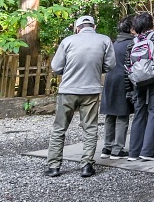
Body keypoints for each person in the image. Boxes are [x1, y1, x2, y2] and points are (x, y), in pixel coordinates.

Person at [46, 15, 115, 178]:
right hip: (91, 91)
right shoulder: (104, 40)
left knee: (59, 128)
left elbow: (56, 67)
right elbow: (110, 65)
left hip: (68, 90)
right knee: (90, 128)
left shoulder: (68, 41)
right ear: (94, 26)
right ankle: (86, 165)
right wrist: (98, 69)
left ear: (77, 28)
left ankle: (54, 166)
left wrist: (69, 71)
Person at [126, 11, 154, 161]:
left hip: (137, 80)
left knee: (139, 113)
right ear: (150, 24)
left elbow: (128, 66)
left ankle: (133, 152)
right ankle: (147, 151)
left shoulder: (133, 42)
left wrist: (129, 89)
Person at [100, 16, 135, 160]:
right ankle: (117, 149)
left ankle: (106, 147)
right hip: (123, 81)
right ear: (132, 29)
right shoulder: (132, 44)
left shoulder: (112, 44)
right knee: (122, 115)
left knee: (110, 114)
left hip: (110, 80)